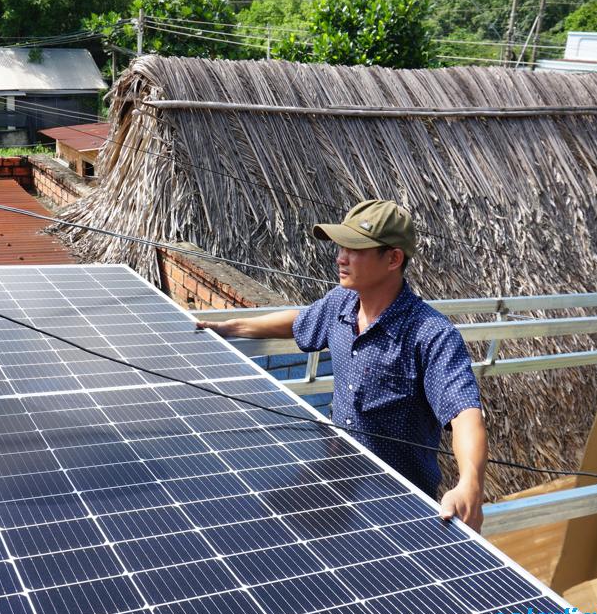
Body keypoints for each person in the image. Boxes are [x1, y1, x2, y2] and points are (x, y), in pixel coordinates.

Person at [197, 200, 488, 530]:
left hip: (396, 507)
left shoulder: (430, 334)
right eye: (340, 247)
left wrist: (470, 485)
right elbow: (299, 322)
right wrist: (234, 327)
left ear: (393, 258)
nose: (340, 258)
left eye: (355, 249)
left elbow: (464, 414)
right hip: (337, 482)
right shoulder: (342, 302)